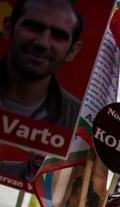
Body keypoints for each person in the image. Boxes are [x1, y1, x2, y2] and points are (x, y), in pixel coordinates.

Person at [0, 0, 82, 128]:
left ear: (72, 51)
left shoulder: (80, 121)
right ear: (8, 28)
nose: (43, 43)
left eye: (58, 36)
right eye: (34, 27)